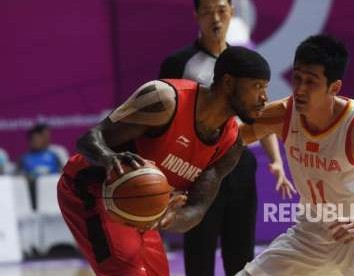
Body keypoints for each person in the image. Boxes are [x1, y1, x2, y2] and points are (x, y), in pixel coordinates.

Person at [57, 46, 275, 276]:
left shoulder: (231, 144)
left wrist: (171, 217)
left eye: (265, 88)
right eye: (257, 86)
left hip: (140, 207)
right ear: (229, 82)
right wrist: (109, 158)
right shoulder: (164, 100)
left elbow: (197, 208)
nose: (264, 98)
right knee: (128, 271)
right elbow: (90, 139)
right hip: (89, 188)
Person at [237, 35, 354, 276]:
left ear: (334, 87)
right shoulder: (285, 113)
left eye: (311, 82)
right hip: (312, 233)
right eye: (297, 78)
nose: (300, 89)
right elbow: (232, 140)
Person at [159, 1, 294, 275]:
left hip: (238, 162)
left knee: (241, 253)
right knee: (199, 252)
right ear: (196, 16)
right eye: (207, 12)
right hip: (197, 167)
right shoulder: (177, 64)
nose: (216, 19)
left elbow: (257, 115)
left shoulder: (246, 62)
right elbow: (165, 124)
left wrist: (276, 161)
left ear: (232, 12)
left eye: (221, 10)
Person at [19, 123, 62, 209]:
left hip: (52, 190)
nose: (36, 141)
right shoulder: (24, 158)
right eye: (33, 139)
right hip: (33, 192)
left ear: (42, 140)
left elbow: (61, 172)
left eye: (38, 139)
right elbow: (20, 176)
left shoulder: (53, 156)